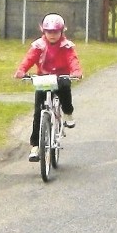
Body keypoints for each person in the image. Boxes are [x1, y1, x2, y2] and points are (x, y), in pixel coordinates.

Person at [14, 13, 82, 162]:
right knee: (38, 113)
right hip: (44, 78)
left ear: (62, 32)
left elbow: (72, 60)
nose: (52, 35)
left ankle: (68, 113)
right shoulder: (39, 45)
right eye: (49, 32)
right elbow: (29, 58)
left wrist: (76, 72)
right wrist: (21, 71)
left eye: (56, 32)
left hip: (61, 77)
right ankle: (35, 146)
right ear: (43, 31)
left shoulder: (66, 46)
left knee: (65, 93)